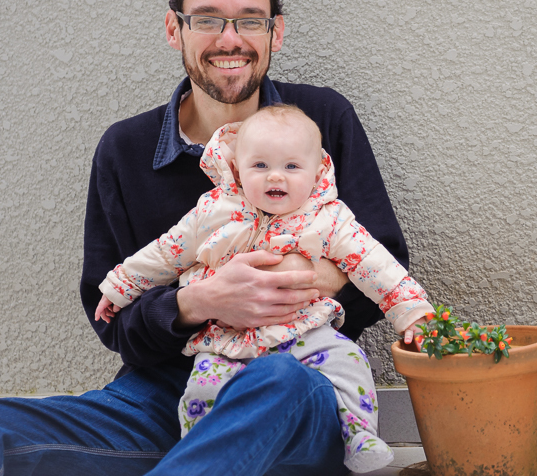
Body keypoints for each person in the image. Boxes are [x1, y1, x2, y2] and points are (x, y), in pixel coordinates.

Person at [0, 0, 412, 476]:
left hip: (296, 378)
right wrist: (198, 301)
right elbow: (112, 318)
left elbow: (384, 263)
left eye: (250, 21)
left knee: (277, 383)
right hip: (165, 395)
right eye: (207, 19)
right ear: (173, 29)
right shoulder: (125, 149)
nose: (231, 39)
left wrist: (292, 279)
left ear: (275, 32)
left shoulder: (322, 119)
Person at [95, 104, 433, 472]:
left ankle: (360, 434)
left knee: (349, 362)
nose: (276, 177)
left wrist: (413, 312)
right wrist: (119, 287)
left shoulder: (330, 218)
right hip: (226, 340)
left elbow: (377, 266)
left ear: (317, 170)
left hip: (304, 333)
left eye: (291, 167)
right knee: (202, 391)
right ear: (237, 168)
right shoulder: (211, 213)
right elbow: (163, 254)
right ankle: (199, 451)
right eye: (260, 166)